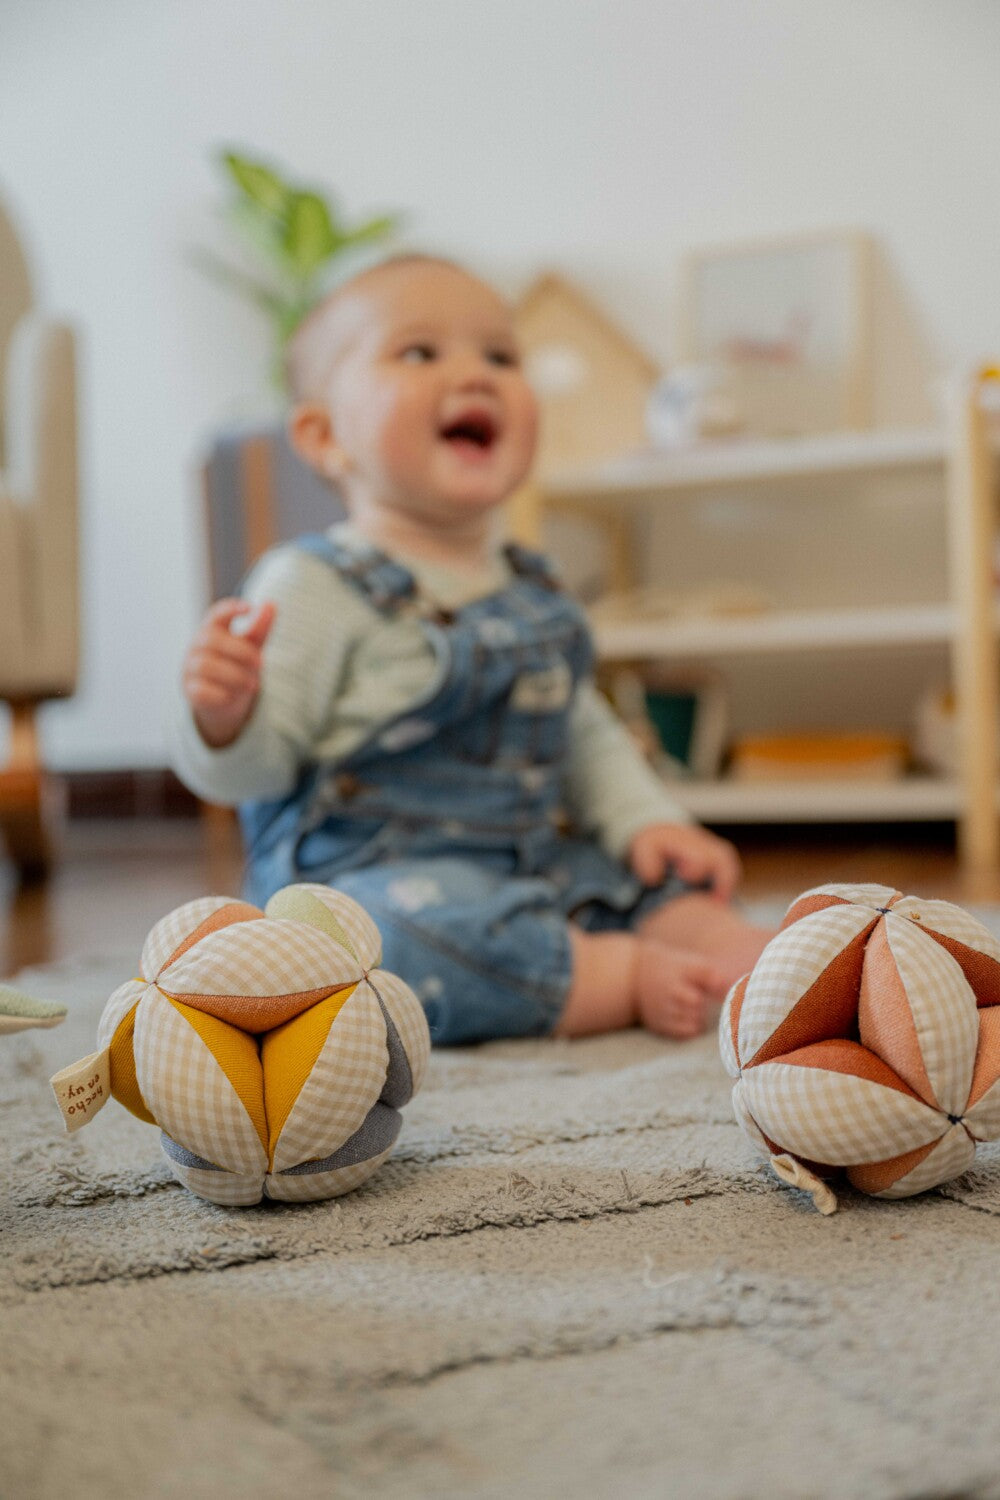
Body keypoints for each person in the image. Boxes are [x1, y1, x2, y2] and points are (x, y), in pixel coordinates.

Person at [173, 254, 774, 1045]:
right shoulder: (311, 582)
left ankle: (756, 964)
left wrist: (646, 822)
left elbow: (582, 729)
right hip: (367, 883)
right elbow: (253, 775)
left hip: (533, 868)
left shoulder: (535, 586)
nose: (476, 375)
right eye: (419, 352)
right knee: (365, 946)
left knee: (651, 881)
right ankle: (612, 975)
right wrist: (224, 715)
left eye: (501, 356)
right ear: (324, 436)